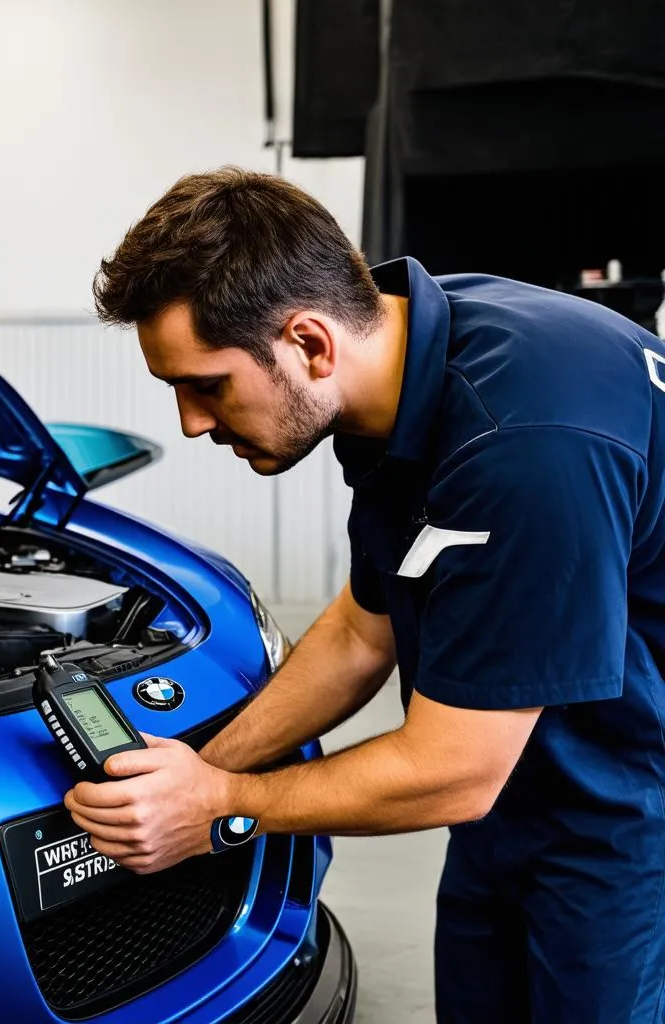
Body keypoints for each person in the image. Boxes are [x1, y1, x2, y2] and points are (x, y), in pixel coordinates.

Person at [64, 167, 665, 1022]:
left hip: (627, 810)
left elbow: (455, 772)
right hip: (520, 791)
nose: (192, 423)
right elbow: (361, 628)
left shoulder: (521, 444)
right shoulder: (405, 358)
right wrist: (205, 768)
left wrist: (226, 808)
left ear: (309, 342)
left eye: (207, 385)